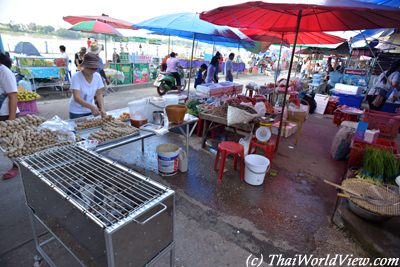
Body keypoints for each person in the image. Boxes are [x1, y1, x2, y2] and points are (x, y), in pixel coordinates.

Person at [69, 53, 107, 119]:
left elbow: (99, 94)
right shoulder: (76, 76)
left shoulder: (97, 76)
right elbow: (76, 97)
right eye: (91, 68)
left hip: (90, 109)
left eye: (95, 69)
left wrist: (102, 108)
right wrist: (91, 107)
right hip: (76, 111)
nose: (93, 71)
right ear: (84, 66)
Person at [0, 52, 19, 180]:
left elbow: (13, 96)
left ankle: (16, 166)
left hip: (6, 114)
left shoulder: (4, 71)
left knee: (12, 143)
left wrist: (11, 121)